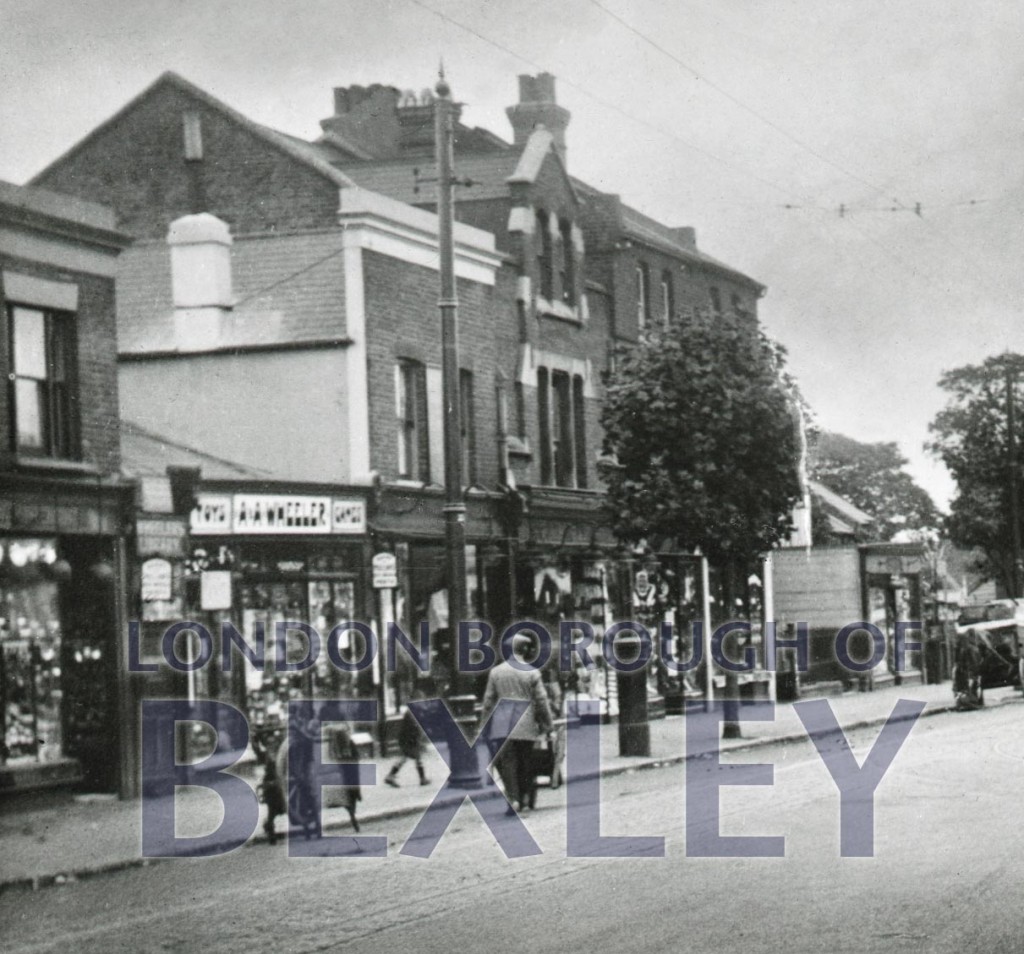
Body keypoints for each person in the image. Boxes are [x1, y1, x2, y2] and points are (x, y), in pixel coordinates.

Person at [482, 634, 553, 814]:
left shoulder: (496, 672)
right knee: (525, 762)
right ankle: (525, 799)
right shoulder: (532, 672)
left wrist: (485, 725)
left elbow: (488, 702)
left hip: (502, 723)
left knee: (507, 764)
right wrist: (548, 723)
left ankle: (512, 799)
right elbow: (541, 700)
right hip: (526, 723)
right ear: (526, 650)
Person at [384, 690, 431, 788]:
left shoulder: (413, 711)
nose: (423, 703)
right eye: (421, 701)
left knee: (405, 758)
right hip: (410, 740)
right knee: (413, 758)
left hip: (409, 739)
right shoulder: (412, 713)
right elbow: (415, 726)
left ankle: (391, 776)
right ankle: (422, 779)